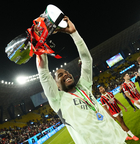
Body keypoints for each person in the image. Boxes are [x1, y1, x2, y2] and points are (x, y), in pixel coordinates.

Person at [36, 16, 127, 144]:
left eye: (67, 72)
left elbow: (87, 60)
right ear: (55, 84)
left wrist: (74, 34)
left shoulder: (84, 86)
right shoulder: (58, 100)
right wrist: (40, 45)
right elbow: (43, 73)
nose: (66, 74)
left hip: (117, 139)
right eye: (60, 75)